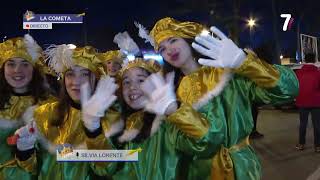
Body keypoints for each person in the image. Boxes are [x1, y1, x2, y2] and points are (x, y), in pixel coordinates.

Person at [144, 17, 299, 180]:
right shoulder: (170, 93)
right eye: (161, 48)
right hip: (199, 173)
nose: (168, 50)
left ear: (188, 39)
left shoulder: (227, 72)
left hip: (241, 170)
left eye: (173, 40)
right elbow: (183, 143)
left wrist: (245, 63)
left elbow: (288, 90)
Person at [12, 45, 122, 179]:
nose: (76, 82)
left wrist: (94, 130)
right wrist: (25, 149)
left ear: (95, 79)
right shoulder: (44, 113)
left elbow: (107, 170)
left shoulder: (111, 118)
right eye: (70, 74)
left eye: (84, 74)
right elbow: (32, 168)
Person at [0, 34, 52, 179]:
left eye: (25, 64)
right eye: (11, 64)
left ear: (34, 69)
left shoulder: (49, 105)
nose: (17, 70)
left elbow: (50, 162)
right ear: (3, 68)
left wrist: (25, 151)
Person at [295, 53, 320, 153]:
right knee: (317, 125)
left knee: (302, 124)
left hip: (302, 101)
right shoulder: (318, 73)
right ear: (314, 60)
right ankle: (318, 146)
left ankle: (301, 144)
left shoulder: (298, 73)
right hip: (316, 102)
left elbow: (295, 86)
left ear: (304, 60)